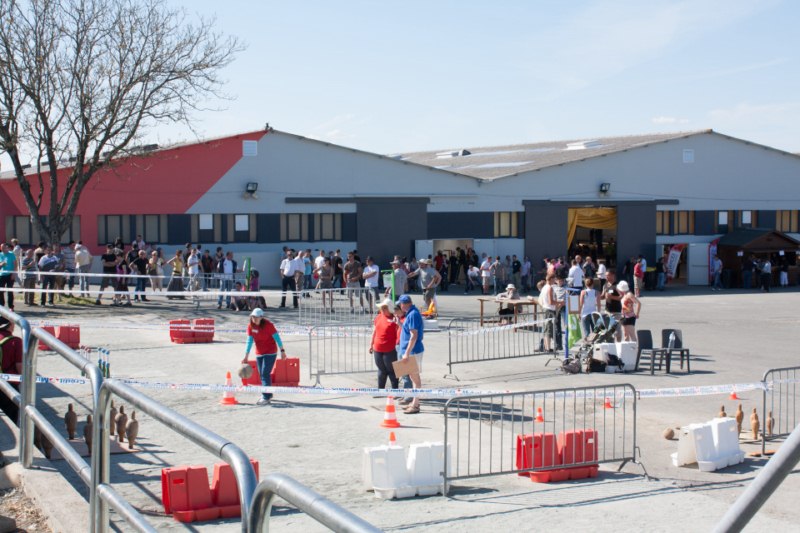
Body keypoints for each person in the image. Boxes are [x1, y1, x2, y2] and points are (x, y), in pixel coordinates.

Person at [241, 308, 286, 405]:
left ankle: (265, 397)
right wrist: (246, 356)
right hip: (259, 353)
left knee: (265, 373)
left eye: (256, 317)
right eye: (253, 317)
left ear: (261, 317)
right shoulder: (250, 326)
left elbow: (277, 338)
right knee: (262, 374)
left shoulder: (269, 325)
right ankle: (268, 393)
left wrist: (282, 351)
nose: (254, 319)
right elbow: (249, 341)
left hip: (270, 352)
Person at [396, 294, 424, 414]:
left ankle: (415, 404)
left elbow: (414, 336)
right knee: (413, 377)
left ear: (404, 304)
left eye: (401, 304)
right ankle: (414, 402)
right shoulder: (411, 313)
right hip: (410, 351)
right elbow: (409, 331)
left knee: (414, 377)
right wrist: (400, 324)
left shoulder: (412, 314)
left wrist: (406, 353)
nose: (400, 307)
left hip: (413, 351)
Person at [370, 298, 399, 390]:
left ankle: (395, 391)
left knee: (392, 371)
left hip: (390, 349)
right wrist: (371, 344)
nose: (382, 309)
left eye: (385, 307)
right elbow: (375, 331)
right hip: (377, 348)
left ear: (389, 308)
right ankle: (380, 390)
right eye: (382, 307)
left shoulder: (395, 319)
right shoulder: (379, 317)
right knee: (381, 370)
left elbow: (399, 333)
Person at [0, 316, 24, 423]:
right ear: (9, 325)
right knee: (11, 414)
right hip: (9, 384)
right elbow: (19, 366)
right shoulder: (16, 341)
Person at [533, 274, 558, 352]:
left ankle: (546, 347)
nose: (555, 281)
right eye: (554, 279)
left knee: (546, 329)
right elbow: (551, 302)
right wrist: (561, 302)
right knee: (548, 330)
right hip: (549, 310)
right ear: (551, 279)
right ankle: (548, 348)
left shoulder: (544, 288)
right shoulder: (549, 288)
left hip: (545, 309)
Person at [601, 270, 623, 341]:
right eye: (606, 275)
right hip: (607, 311)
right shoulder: (605, 285)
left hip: (616, 311)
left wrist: (611, 297)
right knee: (609, 331)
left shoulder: (617, 286)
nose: (606, 277)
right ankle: (611, 345)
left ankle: (619, 344)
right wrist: (598, 296)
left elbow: (621, 297)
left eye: (608, 275)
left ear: (613, 276)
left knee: (617, 331)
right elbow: (603, 296)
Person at [0, 243, 17, 311]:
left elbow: (15, 264)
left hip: (10, 274)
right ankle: (1, 306)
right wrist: (1, 264)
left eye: (5, 248)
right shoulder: (0, 254)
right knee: (1, 291)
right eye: (2, 248)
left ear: (7, 248)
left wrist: (14, 273)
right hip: (2, 274)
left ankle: (11, 306)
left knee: (10, 291)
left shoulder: (11, 254)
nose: (4, 249)